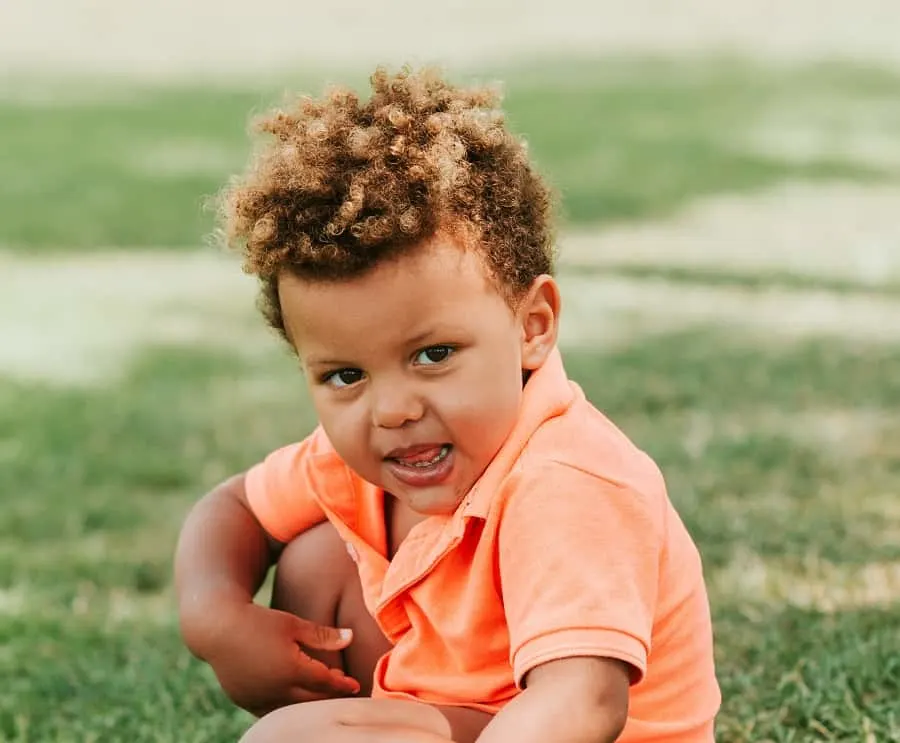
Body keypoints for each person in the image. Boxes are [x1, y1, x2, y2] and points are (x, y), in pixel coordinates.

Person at [174, 66, 721, 743]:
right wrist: (216, 616)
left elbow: (583, 704)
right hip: (474, 711)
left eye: (433, 355)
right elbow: (234, 510)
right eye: (346, 373)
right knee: (319, 557)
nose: (393, 410)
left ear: (532, 325)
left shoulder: (567, 479)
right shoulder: (375, 447)